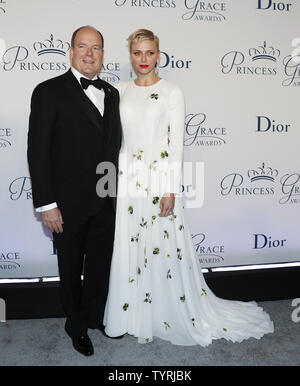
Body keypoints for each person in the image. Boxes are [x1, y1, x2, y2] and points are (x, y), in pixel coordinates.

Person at [103, 29, 274, 346]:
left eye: (150, 53)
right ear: (130, 55)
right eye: (138, 53)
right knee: (130, 245)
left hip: (158, 175)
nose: (144, 59)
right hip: (127, 175)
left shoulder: (171, 91)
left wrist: (170, 188)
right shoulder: (118, 90)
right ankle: (131, 314)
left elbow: (177, 144)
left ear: (158, 54)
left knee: (161, 244)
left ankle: (163, 313)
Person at [27, 26, 123, 356]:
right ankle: (77, 326)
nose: (89, 53)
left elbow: (111, 149)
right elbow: (37, 152)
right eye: (82, 46)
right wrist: (47, 204)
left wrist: (112, 195)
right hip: (66, 203)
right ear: (70, 51)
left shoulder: (112, 93)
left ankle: (96, 317)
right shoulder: (48, 91)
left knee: (100, 263)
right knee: (70, 267)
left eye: (96, 48)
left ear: (103, 55)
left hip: (105, 198)